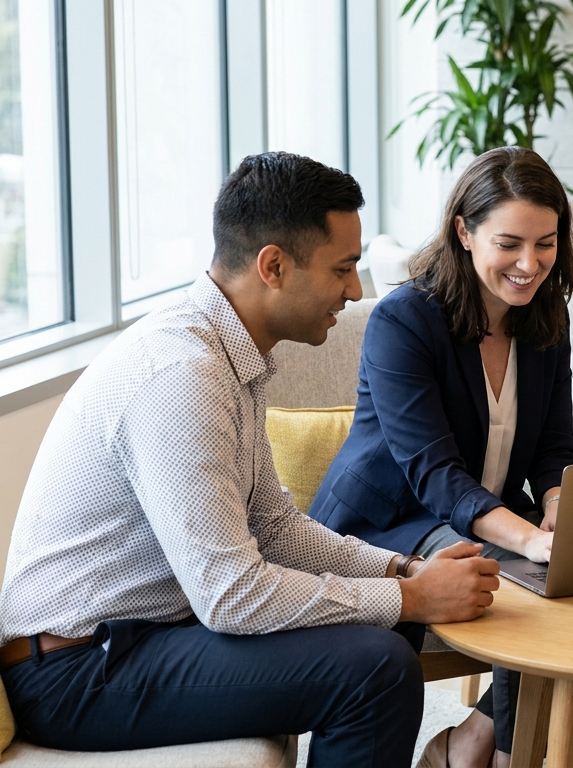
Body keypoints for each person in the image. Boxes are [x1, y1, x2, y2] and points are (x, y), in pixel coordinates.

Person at [0, 152, 501, 767]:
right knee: (375, 669)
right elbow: (231, 596)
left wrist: (401, 570)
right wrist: (412, 598)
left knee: (386, 627)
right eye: (343, 267)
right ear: (273, 265)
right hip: (78, 669)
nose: (353, 288)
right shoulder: (180, 376)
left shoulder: (228, 358)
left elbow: (274, 529)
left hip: (146, 635)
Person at [310, 146, 573, 768]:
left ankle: (475, 743)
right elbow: (433, 474)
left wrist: (562, 508)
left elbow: (554, 447)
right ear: (464, 231)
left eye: (546, 243)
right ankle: (508, 754)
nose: (530, 263)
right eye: (509, 243)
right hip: (386, 522)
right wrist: (530, 541)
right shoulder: (404, 320)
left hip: (481, 518)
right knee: (531, 585)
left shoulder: (547, 320)